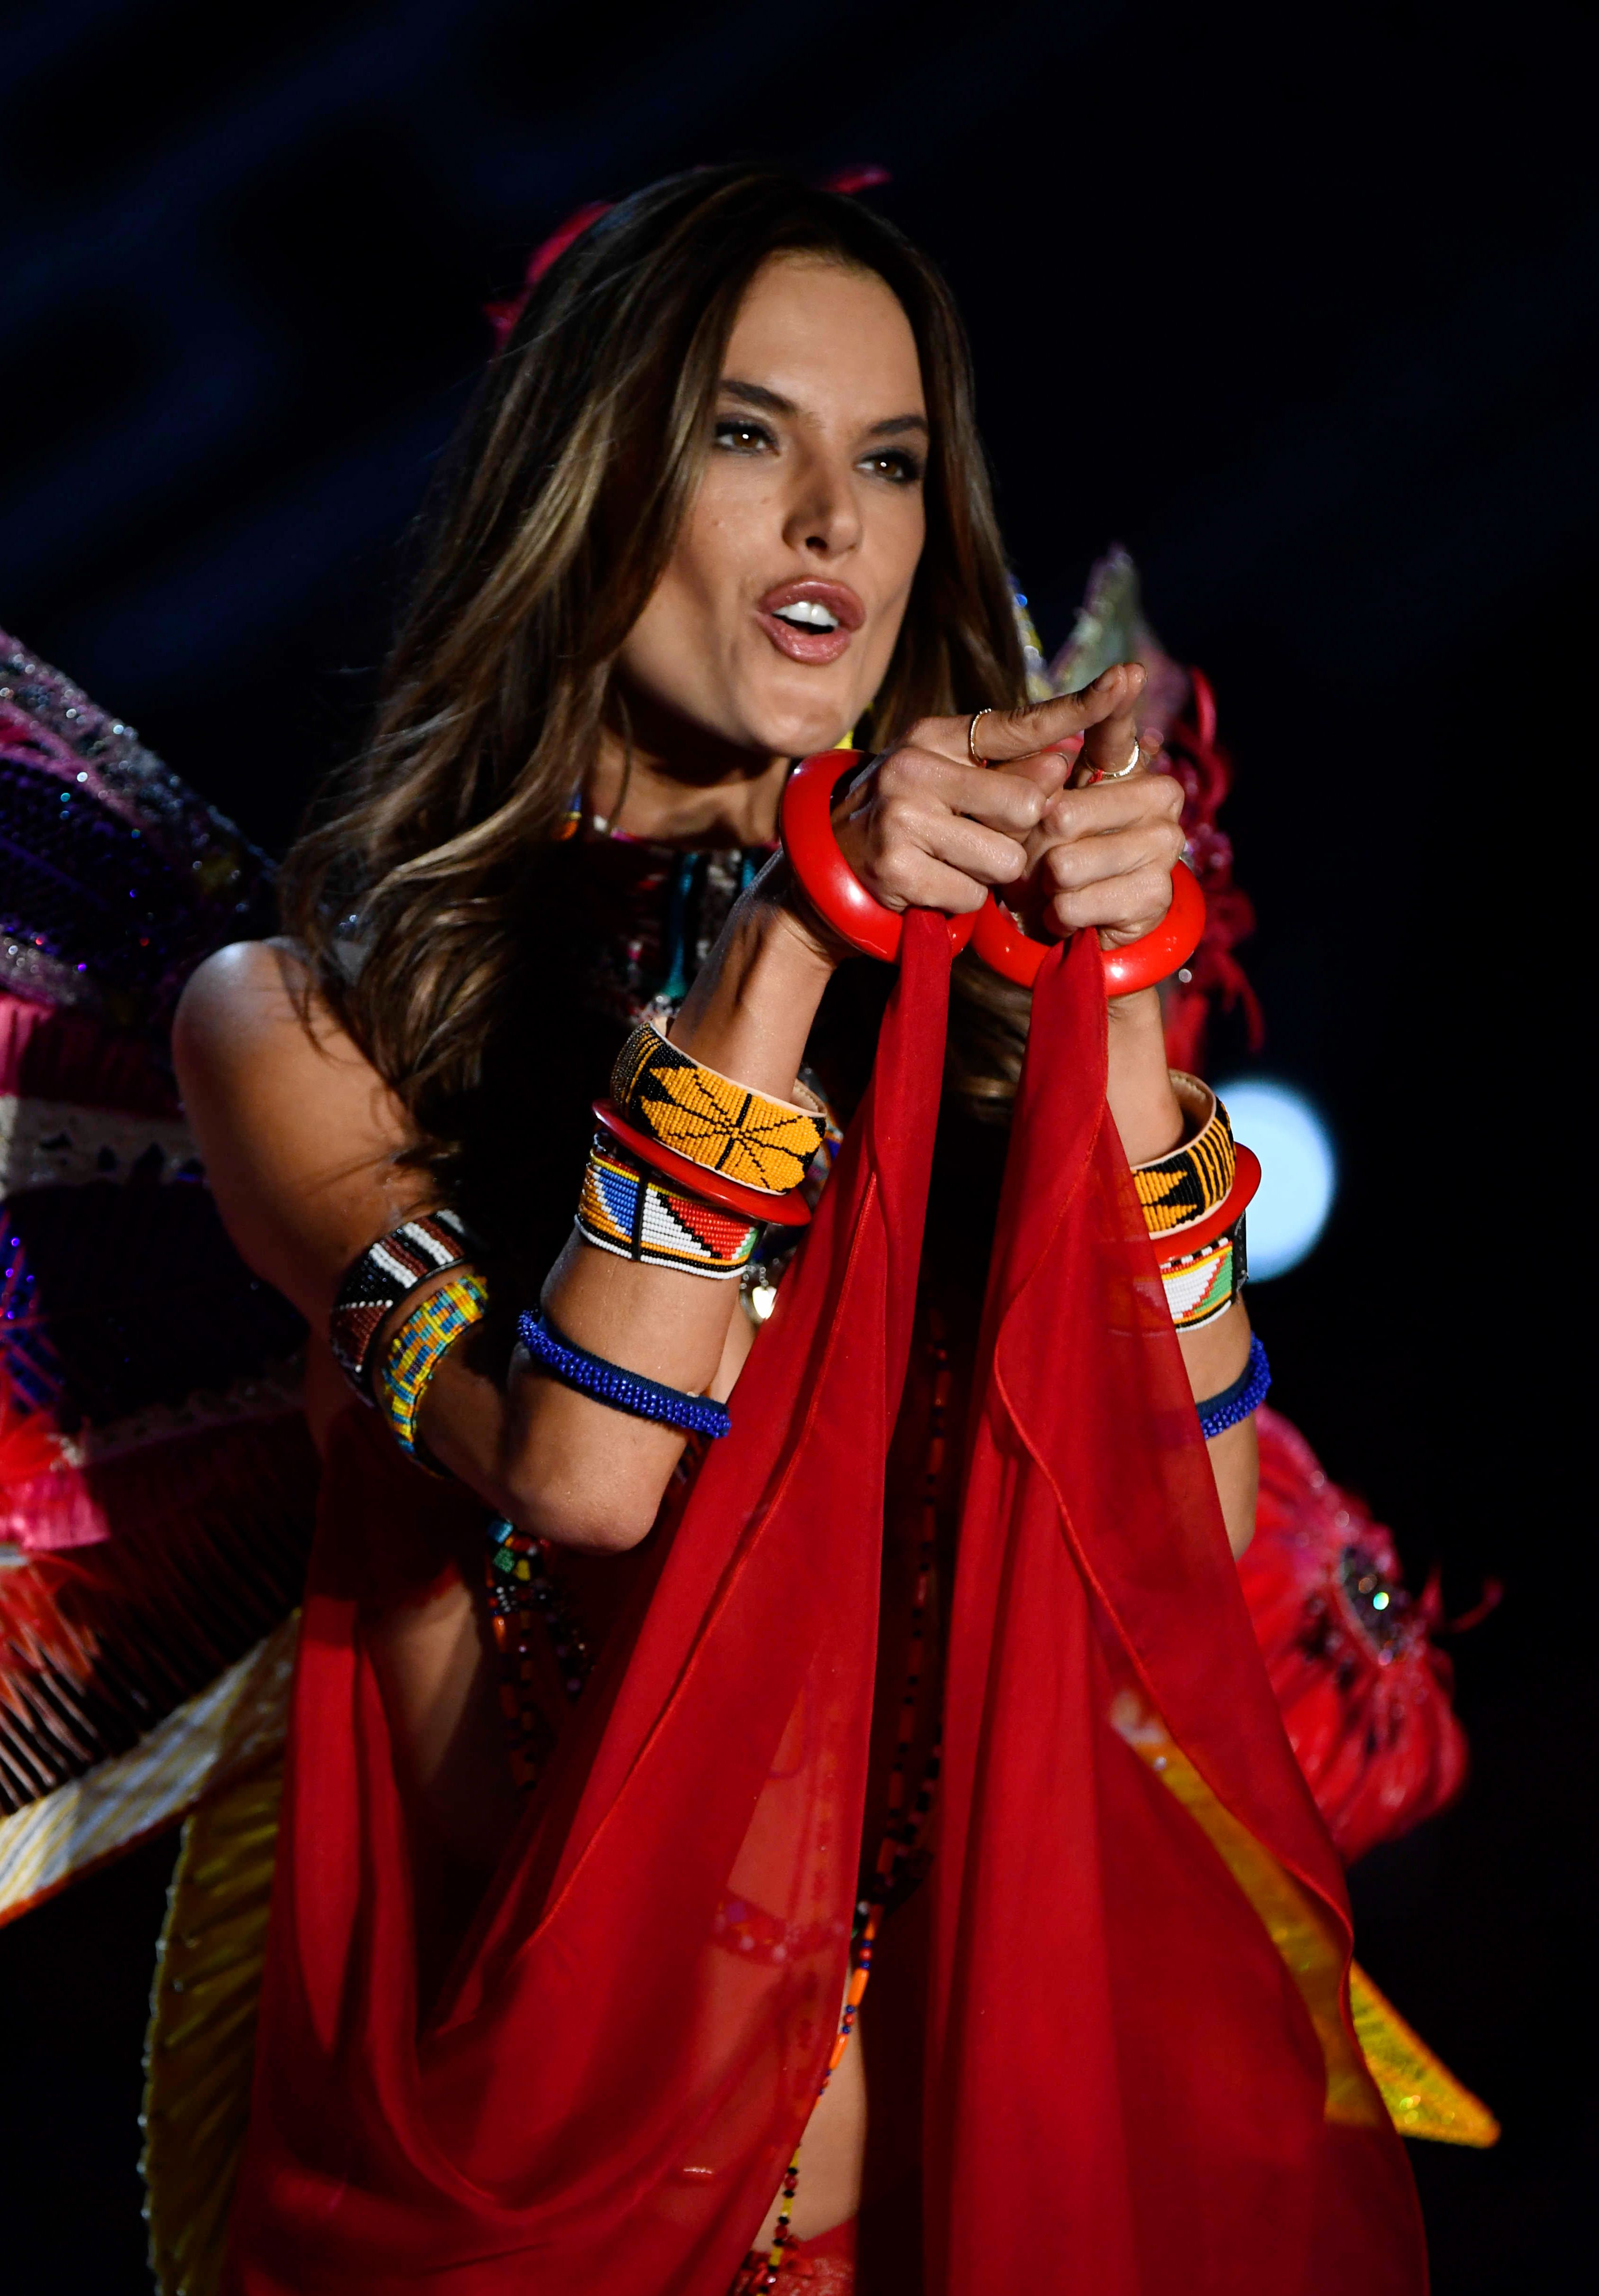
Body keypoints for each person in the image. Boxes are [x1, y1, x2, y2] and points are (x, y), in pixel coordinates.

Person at [113, 169, 1428, 2291]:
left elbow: (1179, 1537)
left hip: (984, 2197)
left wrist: (1114, 1007)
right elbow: (581, 1466)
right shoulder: (313, 1021)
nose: (836, 521)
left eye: (890, 463)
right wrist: (799, 928)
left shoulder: (973, 1010)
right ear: (583, 477)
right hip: (556, 2209)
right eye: (749, 434)